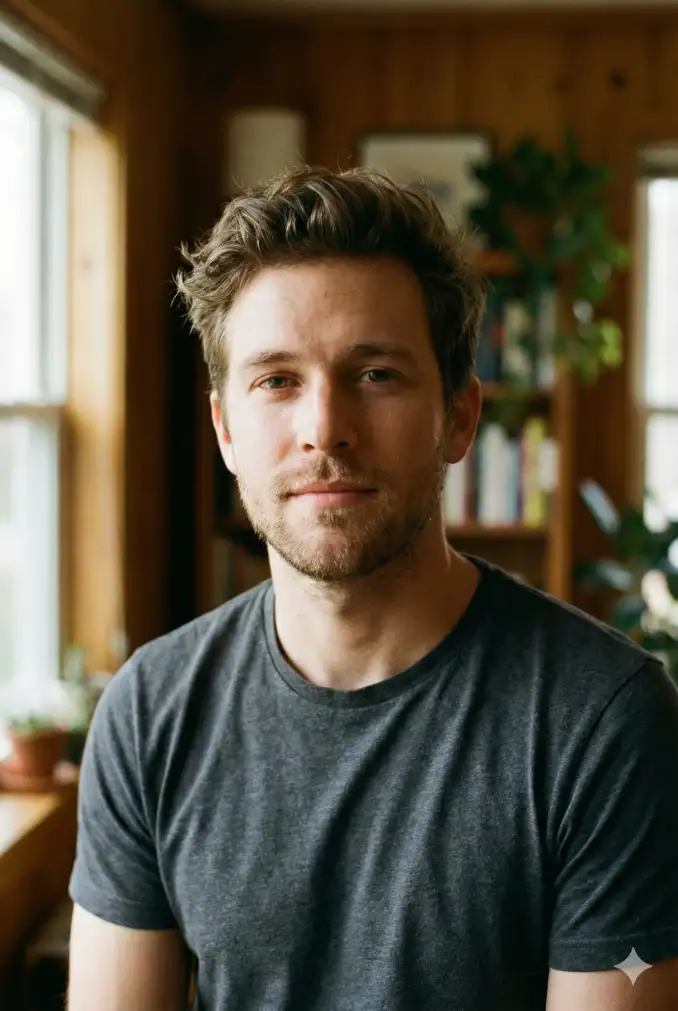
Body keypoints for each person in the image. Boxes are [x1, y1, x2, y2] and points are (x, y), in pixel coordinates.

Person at [67, 167, 678, 1011]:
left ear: (459, 415)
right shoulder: (150, 712)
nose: (324, 428)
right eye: (276, 380)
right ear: (225, 429)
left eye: (376, 373)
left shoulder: (600, 719)